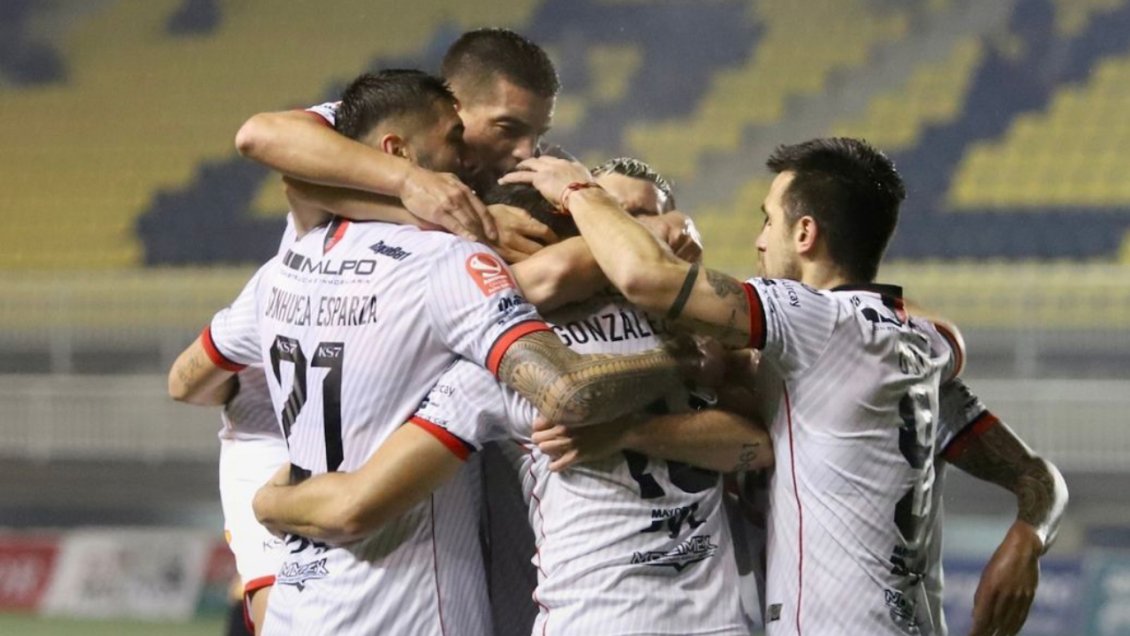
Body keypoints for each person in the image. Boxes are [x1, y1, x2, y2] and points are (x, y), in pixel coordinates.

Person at [170, 70, 714, 636]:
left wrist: (269, 495)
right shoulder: (449, 271)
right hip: (403, 606)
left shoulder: (289, 263)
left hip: (303, 593)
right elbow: (562, 379)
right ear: (405, 144)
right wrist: (679, 350)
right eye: (494, 130)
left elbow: (186, 380)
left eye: (536, 133)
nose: (522, 150)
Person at [252, 182, 773, 636]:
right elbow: (757, 444)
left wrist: (269, 503)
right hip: (718, 619)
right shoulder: (680, 332)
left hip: (593, 617)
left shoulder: (499, 370)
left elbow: (356, 506)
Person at [502, 138, 961, 634]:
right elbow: (977, 410)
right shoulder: (923, 337)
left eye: (768, 220)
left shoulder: (797, 322)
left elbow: (645, 275)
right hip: (893, 616)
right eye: (619, 215)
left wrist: (579, 190)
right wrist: (1024, 502)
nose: (759, 240)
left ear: (805, 232)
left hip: (803, 620)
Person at [235, 28, 559, 243]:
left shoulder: (542, 174)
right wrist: (409, 181)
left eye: (537, 134)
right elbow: (258, 136)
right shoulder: (383, 115)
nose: (527, 150)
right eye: (508, 128)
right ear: (454, 105)